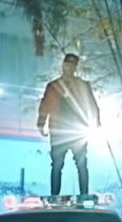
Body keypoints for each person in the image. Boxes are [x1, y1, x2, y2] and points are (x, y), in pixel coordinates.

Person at [36, 53, 101, 196]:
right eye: (67, 65)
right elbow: (45, 105)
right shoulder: (53, 86)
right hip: (59, 130)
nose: (69, 68)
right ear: (63, 66)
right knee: (57, 165)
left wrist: (97, 121)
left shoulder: (83, 86)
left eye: (72, 65)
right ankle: (54, 195)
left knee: (81, 163)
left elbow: (92, 103)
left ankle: (84, 194)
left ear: (75, 67)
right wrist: (41, 123)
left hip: (77, 129)